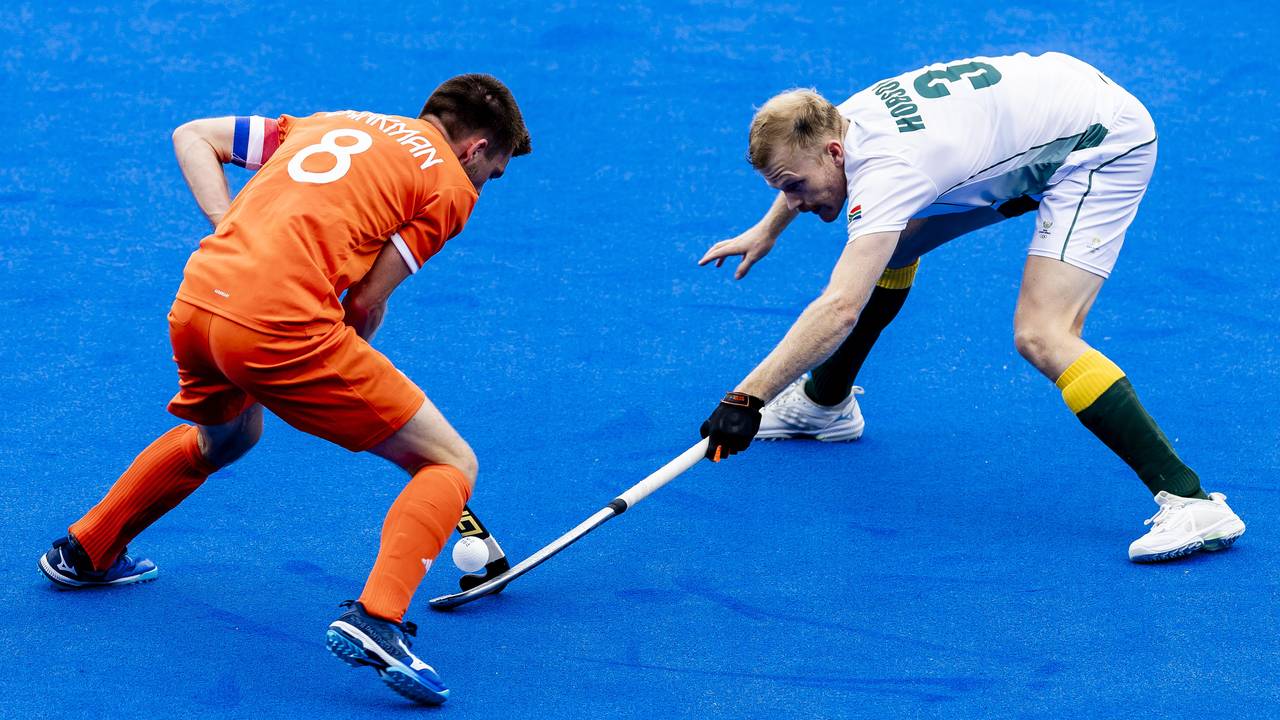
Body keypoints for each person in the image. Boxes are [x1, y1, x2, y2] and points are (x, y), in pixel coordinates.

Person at [37, 73, 532, 705]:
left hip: (197, 304)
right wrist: (321, 369)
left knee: (231, 435)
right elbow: (366, 302)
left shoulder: (326, 123)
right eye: (491, 173)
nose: (482, 188)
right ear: (474, 149)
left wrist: (231, 231)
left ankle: (87, 549)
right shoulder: (447, 185)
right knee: (449, 460)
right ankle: (377, 619)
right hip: (279, 329)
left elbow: (193, 137)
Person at [697, 51, 1245, 563]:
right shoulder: (838, 120)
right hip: (1052, 106)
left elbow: (841, 307)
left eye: (794, 188)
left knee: (1043, 333)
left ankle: (1193, 503)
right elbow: (803, 163)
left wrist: (748, 397)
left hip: (1099, 144)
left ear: (835, 152)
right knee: (898, 242)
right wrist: (767, 229)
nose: (796, 200)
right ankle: (824, 405)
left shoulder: (890, 170)